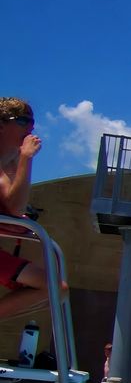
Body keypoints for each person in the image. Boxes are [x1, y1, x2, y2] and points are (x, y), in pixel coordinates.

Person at [0, 98, 67, 318]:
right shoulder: (13, 160)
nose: (30, 128)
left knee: (57, 290)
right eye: (22, 121)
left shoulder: (11, 161)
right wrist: (26, 158)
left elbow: (13, 206)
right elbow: (13, 207)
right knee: (52, 287)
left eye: (32, 122)